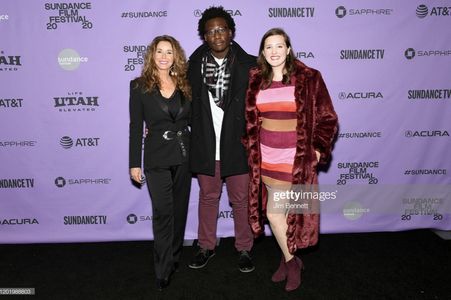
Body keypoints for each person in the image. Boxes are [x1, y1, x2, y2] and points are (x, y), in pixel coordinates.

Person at [242, 28, 338, 291]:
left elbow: (328, 117)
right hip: (265, 160)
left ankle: (293, 263)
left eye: (279, 46)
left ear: (288, 49)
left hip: (293, 162)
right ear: (263, 52)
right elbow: (251, 121)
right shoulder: (256, 81)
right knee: (281, 217)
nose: (274, 52)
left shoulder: (308, 78)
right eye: (268, 47)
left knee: (274, 214)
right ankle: (287, 259)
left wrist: (318, 149)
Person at [187, 6, 256, 272]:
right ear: (204, 36)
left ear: (231, 32)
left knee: (240, 200)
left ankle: (245, 249)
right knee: (208, 197)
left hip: (237, 144)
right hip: (205, 143)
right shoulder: (191, 67)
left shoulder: (250, 65)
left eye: (222, 29)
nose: (217, 35)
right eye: (211, 31)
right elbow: (181, 104)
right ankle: (205, 246)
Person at [129, 35, 192, 291]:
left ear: (175, 56)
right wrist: (134, 163)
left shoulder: (185, 85)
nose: (164, 56)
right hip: (156, 159)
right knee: (163, 214)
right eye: (159, 52)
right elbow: (136, 127)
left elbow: (193, 120)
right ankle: (163, 267)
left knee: (179, 212)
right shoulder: (139, 86)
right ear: (152, 56)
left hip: (184, 156)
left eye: (169, 52)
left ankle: (175, 256)